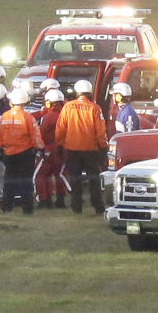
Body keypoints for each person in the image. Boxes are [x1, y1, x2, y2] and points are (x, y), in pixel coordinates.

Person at [55, 79, 107, 214]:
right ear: (90, 92)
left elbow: (60, 128)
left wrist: (60, 144)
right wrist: (103, 147)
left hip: (72, 149)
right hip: (91, 149)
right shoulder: (95, 108)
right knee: (94, 180)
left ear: (77, 92)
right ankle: (98, 206)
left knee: (75, 179)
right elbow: (100, 131)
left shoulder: (67, 107)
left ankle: (76, 206)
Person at [0, 88, 44, 214]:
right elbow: (36, 136)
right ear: (26, 102)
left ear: (11, 102)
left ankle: (6, 207)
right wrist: (40, 148)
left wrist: (0, 148)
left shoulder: (4, 117)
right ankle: (27, 209)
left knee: (9, 181)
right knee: (25, 183)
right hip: (25, 154)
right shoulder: (28, 118)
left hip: (8, 154)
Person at [33, 88, 69, 209]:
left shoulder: (50, 116)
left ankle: (44, 200)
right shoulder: (66, 114)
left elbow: (41, 133)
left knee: (40, 174)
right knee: (57, 173)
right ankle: (60, 199)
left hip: (49, 148)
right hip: (63, 148)